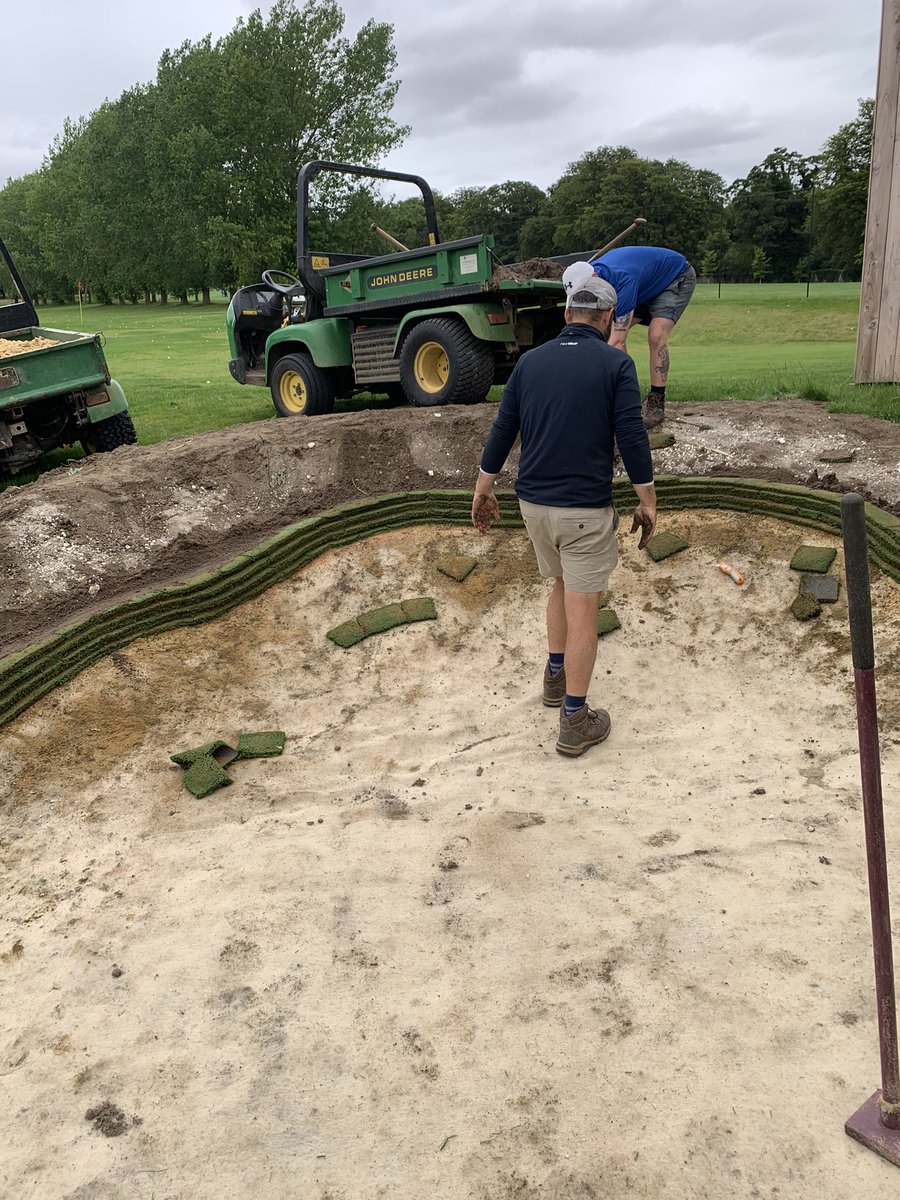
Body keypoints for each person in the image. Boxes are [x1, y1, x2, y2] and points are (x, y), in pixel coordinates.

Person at [471, 274, 657, 758]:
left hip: (533, 506)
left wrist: (483, 489)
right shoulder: (616, 363)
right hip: (584, 509)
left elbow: (503, 430)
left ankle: (555, 676)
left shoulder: (529, 363)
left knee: (559, 585)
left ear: (567, 314)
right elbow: (632, 437)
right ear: (609, 319)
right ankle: (574, 718)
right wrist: (648, 499)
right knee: (584, 607)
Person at [563, 246, 696, 430]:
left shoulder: (622, 279)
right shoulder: (584, 279)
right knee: (604, 333)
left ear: (594, 279)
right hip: (644, 285)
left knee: (656, 334)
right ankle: (616, 396)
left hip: (673, 277)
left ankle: (655, 402)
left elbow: (618, 340)